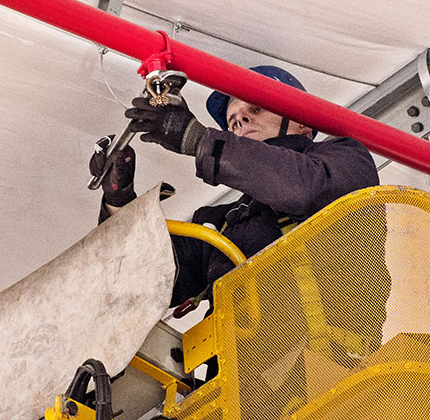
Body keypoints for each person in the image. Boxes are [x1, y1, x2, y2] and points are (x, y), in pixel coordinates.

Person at [91, 66, 390, 367]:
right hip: (238, 394)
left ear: (302, 121)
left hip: (334, 370)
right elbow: (145, 281)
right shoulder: (221, 224)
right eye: (232, 122)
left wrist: (197, 139)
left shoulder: (344, 160)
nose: (240, 120)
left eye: (255, 109)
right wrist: (119, 201)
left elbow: (302, 189)